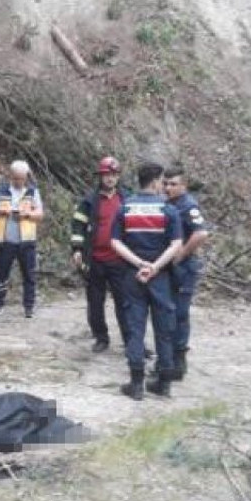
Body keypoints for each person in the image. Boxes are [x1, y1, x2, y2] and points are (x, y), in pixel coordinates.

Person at [109, 162, 183, 400]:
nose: (164, 185)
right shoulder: (168, 210)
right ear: (154, 182)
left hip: (132, 275)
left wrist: (139, 264)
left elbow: (115, 242)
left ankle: (137, 384)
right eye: (162, 181)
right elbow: (176, 245)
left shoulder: (126, 207)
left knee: (135, 329)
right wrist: (155, 267)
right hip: (160, 277)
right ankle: (163, 383)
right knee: (164, 330)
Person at [70, 156, 132, 353]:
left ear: (118, 177)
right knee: (95, 303)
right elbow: (78, 225)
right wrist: (77, 250)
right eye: (107, 175)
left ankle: (131, 340)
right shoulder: (89, 201)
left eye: (114, 175)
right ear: (100, 177)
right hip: (95, 259)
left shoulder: (126, 199)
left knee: (125, 303)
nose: (110, 179)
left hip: (119, 261)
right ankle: (101, 338)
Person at [163, 168, 211, 382]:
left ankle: (179, 358)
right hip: (170, 267)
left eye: (173, 184)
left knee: (180, 313)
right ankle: (169, 357)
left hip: (184, 266)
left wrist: (181, 255)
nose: (168, 188)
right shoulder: (168, 204)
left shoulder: (188, 205)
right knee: (168, 311)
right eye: (166, 183)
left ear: (183, 186)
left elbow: (201, 234)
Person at [0, 160, 44, 318]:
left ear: (26, 177)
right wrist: (2, 211)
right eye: (16, 178)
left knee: (29, 275)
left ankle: (29, 307)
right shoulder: (1, 191)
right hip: (5, 240)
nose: (19, 181)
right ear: (10, 176)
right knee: (1, 274)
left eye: (22, 178)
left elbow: (40, 214)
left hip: (27, 241)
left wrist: (27, 215)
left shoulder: (33, 192)